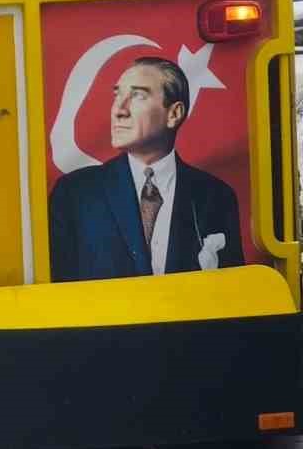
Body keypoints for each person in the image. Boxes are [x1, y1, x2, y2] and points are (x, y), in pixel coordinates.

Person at [48, 55, 243, 282]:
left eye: (138, 95)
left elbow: (231, 292)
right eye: (117, 95)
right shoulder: (74, 194)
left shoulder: (216, 197)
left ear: (174, 114)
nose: (119, 110)